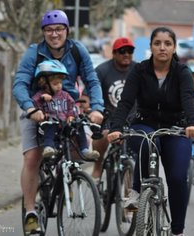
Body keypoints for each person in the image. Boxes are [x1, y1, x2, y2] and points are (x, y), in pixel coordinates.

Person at [12, 9, 104, 235]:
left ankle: (66, 179)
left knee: (80, 150)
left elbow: (92, 80)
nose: (54, 34)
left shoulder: (77, 50)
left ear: (67, 31)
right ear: (43, 32)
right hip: (38, 109)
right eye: (49, 30)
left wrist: (97, 109)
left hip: (66, 108)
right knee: (33, 157)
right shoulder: (34, 52)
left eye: (59, 29)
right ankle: (31, 211)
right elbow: (20, 84)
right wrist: (30, 108)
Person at [107, 26, 194, 236]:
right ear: (150, 47)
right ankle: (136, 197)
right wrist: (116, 128)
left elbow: (188, 99)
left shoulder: (182, 72)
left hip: (175, 127)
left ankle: (177, 229)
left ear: (174, 48)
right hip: (144, 124)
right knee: (148, 144)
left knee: (177, 178)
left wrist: (193, 124)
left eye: (167, 44)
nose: (162, 48)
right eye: (157, 43)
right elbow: (126, 102)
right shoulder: (139, 70)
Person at [32, 59, 99, 160]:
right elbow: (34, 105)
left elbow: (72, 106)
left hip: (65, 125)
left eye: (60, 83)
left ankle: (85, 150)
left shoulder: (65, 95)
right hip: (49, 126)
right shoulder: (40, 95)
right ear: (44, 84)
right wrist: (42, 99)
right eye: (55, 84)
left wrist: (71, 116)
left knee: (79, 125)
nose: (59, 86)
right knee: (51, 125)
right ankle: (48, 147)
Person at [91, 37, 136, 179]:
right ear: (114, 53)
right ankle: (97, 166)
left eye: (130, 51)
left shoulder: (139, 70)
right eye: (122, 51)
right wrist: (91, 110)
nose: (126, 54)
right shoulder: (102, 70)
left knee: (135, 151)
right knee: (102, 136)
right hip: (108, 117)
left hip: (132, 118)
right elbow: (89, 95)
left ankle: (129, 195)